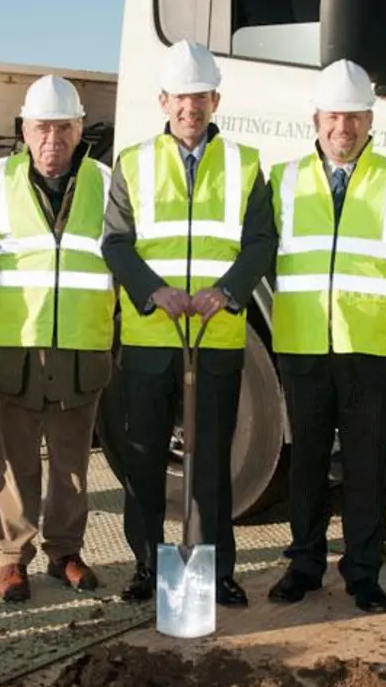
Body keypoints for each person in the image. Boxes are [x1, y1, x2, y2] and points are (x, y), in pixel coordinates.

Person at [102, 39, 274, 607]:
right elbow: (116, 244)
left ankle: (214, 569)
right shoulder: (133, 163)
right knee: (145, 458)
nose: (190, 107)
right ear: (163, 101)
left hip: (216, 337)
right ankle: (147, 565)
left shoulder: (245, 164)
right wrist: (154, 292)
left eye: (200, 97)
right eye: (180, 97)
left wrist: (227, 292)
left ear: (215, 101)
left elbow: (260, 242)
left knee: (211, 462)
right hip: (150, 338)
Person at [264, 60, 386, 613]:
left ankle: (363, 571)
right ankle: (304, 564)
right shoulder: (282, 179)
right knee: (306, 462)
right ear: (316, 119)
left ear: (370, 120)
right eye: (334, 116)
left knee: (365, 466)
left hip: (372, 350)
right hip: (304, 344)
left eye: (354, 117)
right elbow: (261, 253)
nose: (344, 128)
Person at [0, 75, 115, 602]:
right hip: (17, 349)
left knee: (73, 463)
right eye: (42, 128)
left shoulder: (108, 183)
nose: (52, 140)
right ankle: (13, 557)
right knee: (16, 463)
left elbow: (120, 263)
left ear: (80, 130)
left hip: (81, 347)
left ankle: (65, 552)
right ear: (24, 130)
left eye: (63, 128)